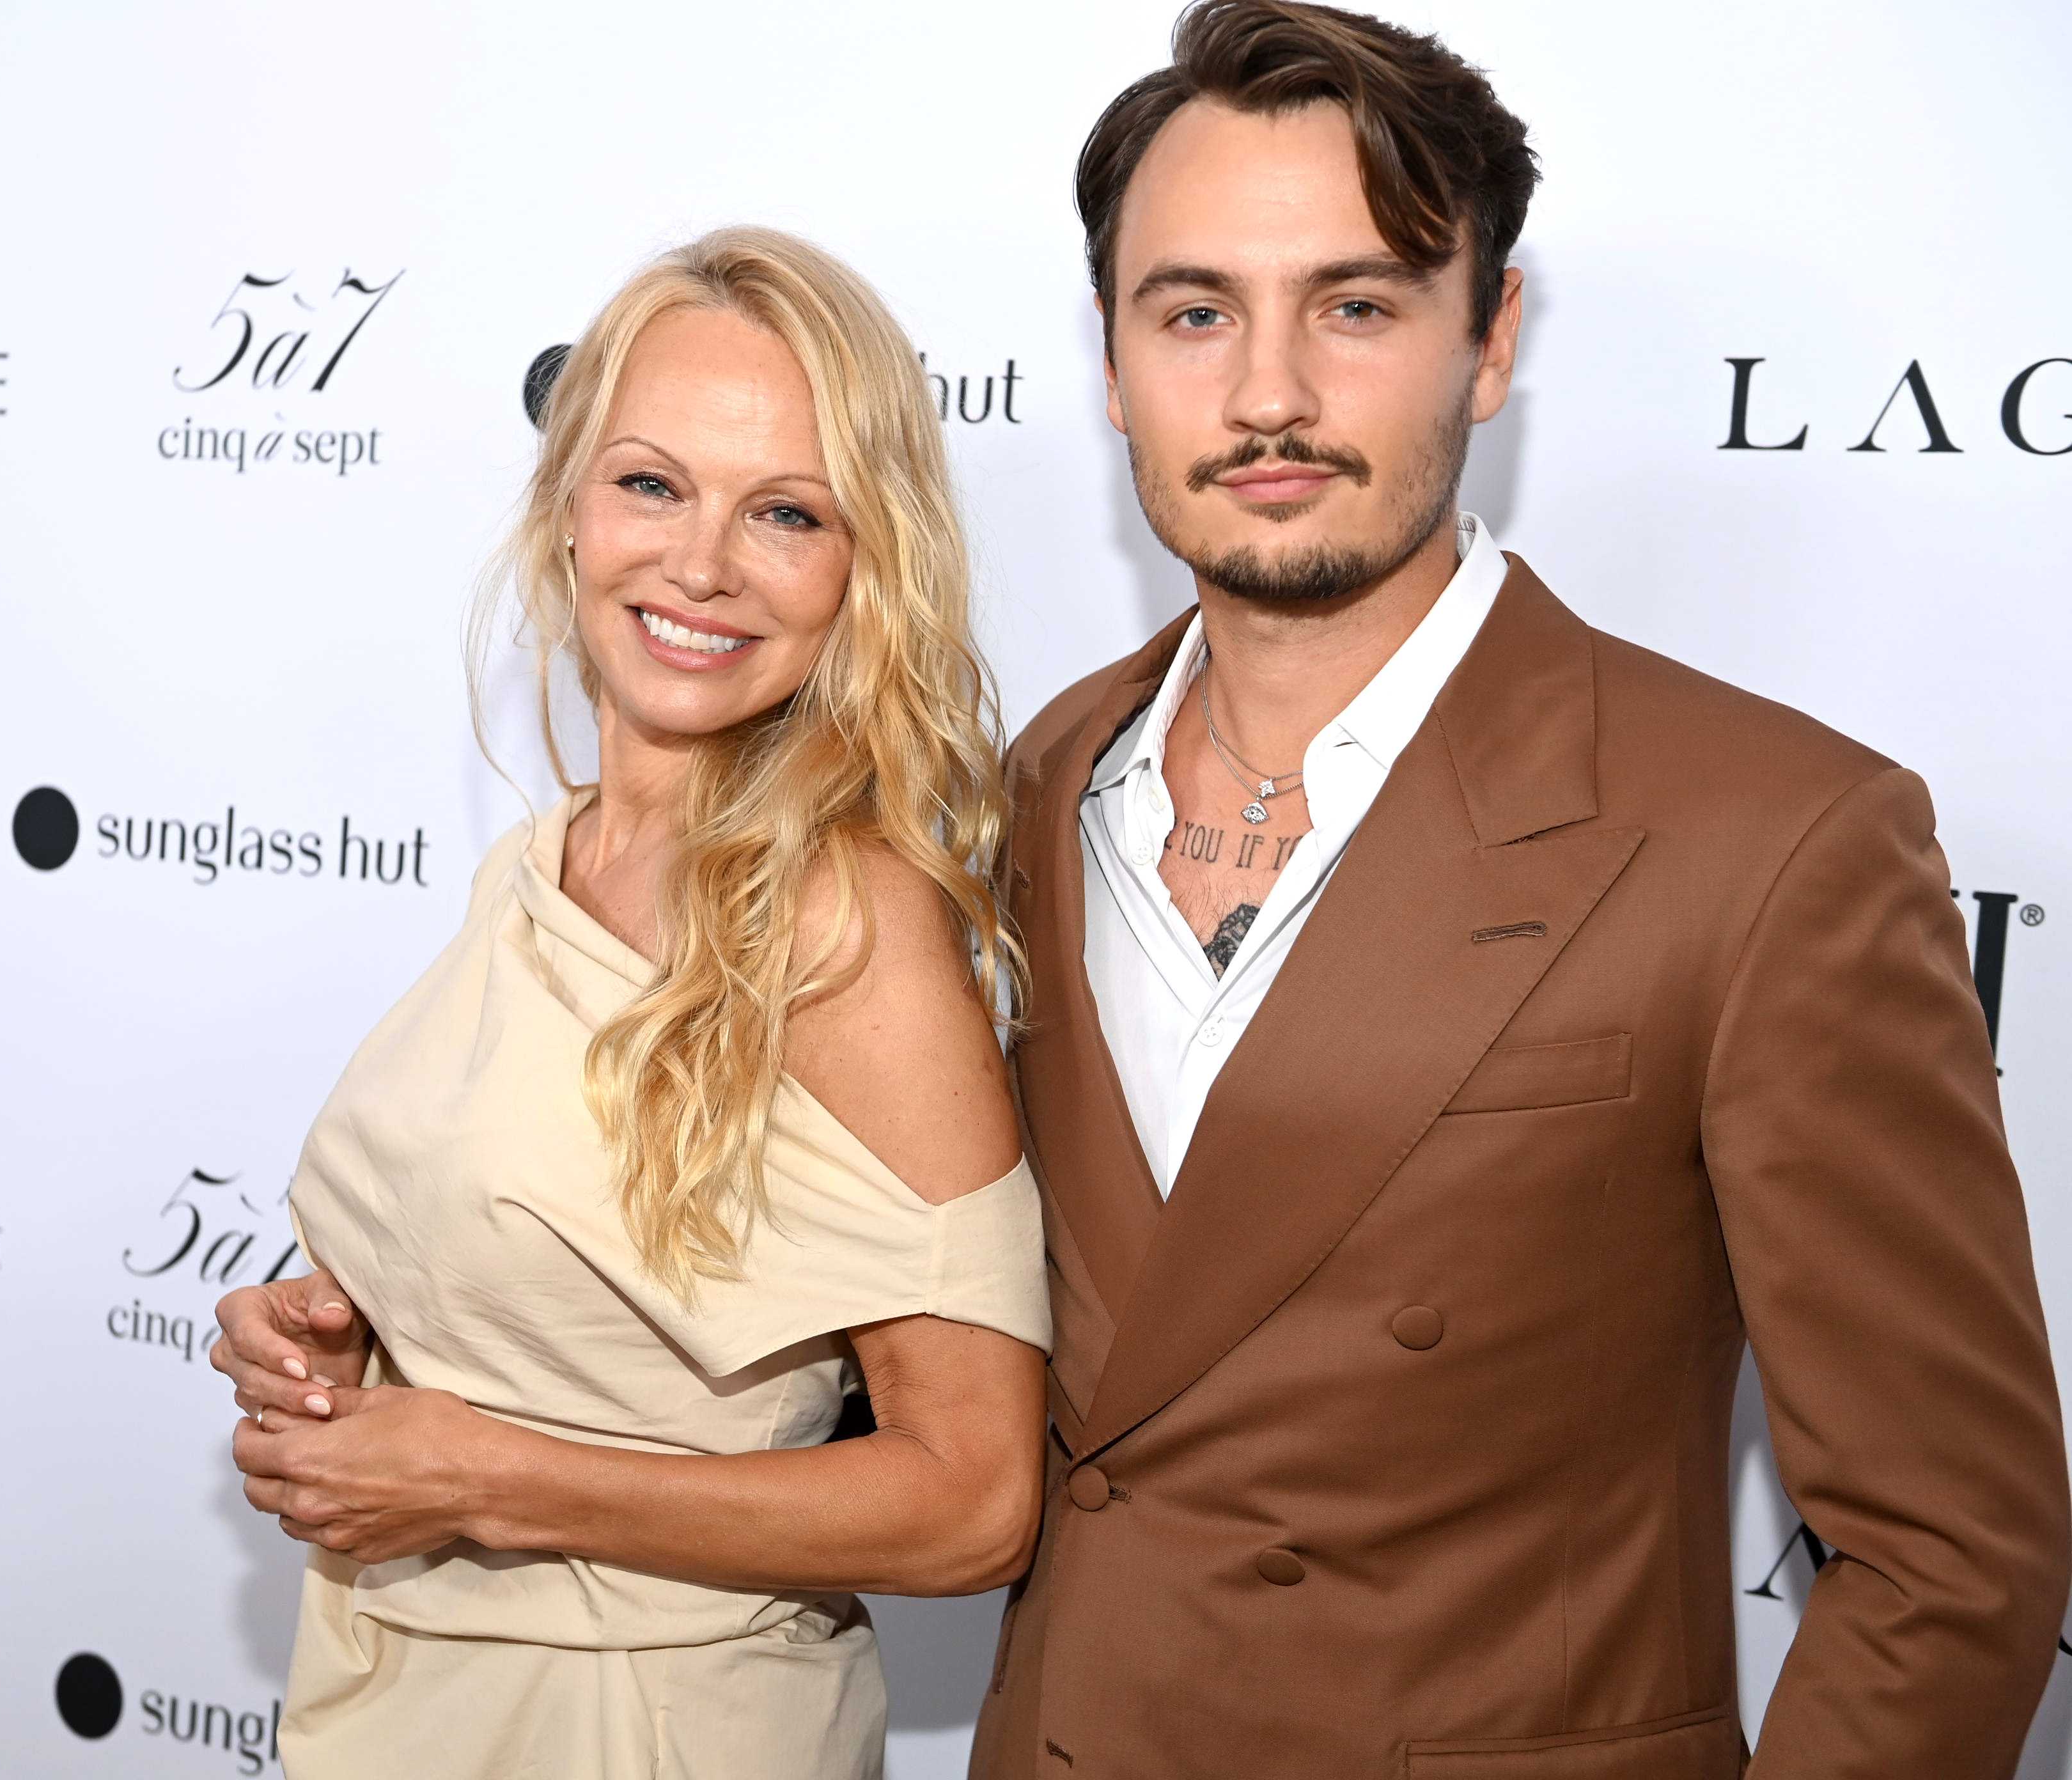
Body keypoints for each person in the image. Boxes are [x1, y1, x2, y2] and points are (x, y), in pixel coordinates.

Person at [969, 3, 2069, 1777]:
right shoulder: (1034, 785)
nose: (1267, 394)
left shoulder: (1771, 838)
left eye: (1357, 305)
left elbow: (1953, 1559)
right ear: (1108, 361)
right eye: (1195, 312)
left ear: (1491, 340)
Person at [210, 227, 1050, 1780]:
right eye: (652, 483)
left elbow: (975, 1497)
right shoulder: (551, 856)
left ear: (863, 569)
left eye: (786, 512)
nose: (703, 563)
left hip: (645, 1730)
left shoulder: (842, 923)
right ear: (568, 507)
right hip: (403, 1689)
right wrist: (337, 1347)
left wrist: (484, 1476)